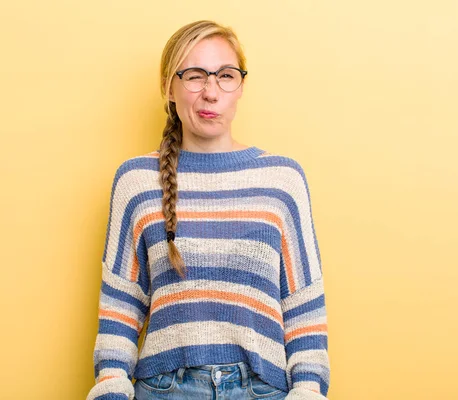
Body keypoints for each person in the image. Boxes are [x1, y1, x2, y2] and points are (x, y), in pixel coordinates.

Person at [86, 20, 330, 400]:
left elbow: (304, 303)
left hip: (262, 389)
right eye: (195, 76)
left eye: (226, 75)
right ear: (169, 86)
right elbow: (120, 303)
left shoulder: (282, 179)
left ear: (241, 86)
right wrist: (111, 385)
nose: (211, 93)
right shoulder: (136, 180)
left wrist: (309, 388)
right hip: (164, 389)